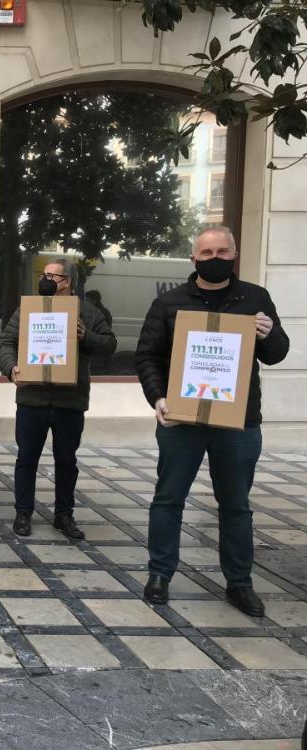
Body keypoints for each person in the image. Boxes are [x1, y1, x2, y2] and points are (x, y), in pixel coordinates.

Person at [135, 224, 288, 617]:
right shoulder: (169, 303)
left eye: (222, 252)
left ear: (234, 256)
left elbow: (276, 353)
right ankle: (159, 574)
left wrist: (269, 334)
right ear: (194, 258)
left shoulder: (255, 298)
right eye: (207, 253)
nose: (215, 259)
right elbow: (147, 356)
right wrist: (159, 396)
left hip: (238, 422)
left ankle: (239, 582)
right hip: (181, 420)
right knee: (168, 498)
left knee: (236, 505)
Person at [0, 258, 117, 540]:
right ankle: (23, 513)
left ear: (68, 281)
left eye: (53, 276)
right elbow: (7, 342)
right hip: (32, 398)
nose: (47, 280)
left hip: (69, 400)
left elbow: (109, 345)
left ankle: (64, 514)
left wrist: (85, 336)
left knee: (66, 460)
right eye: (45, 275)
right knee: (27, 458)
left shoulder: (87, 312)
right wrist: (11, 369)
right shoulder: (28, 310)